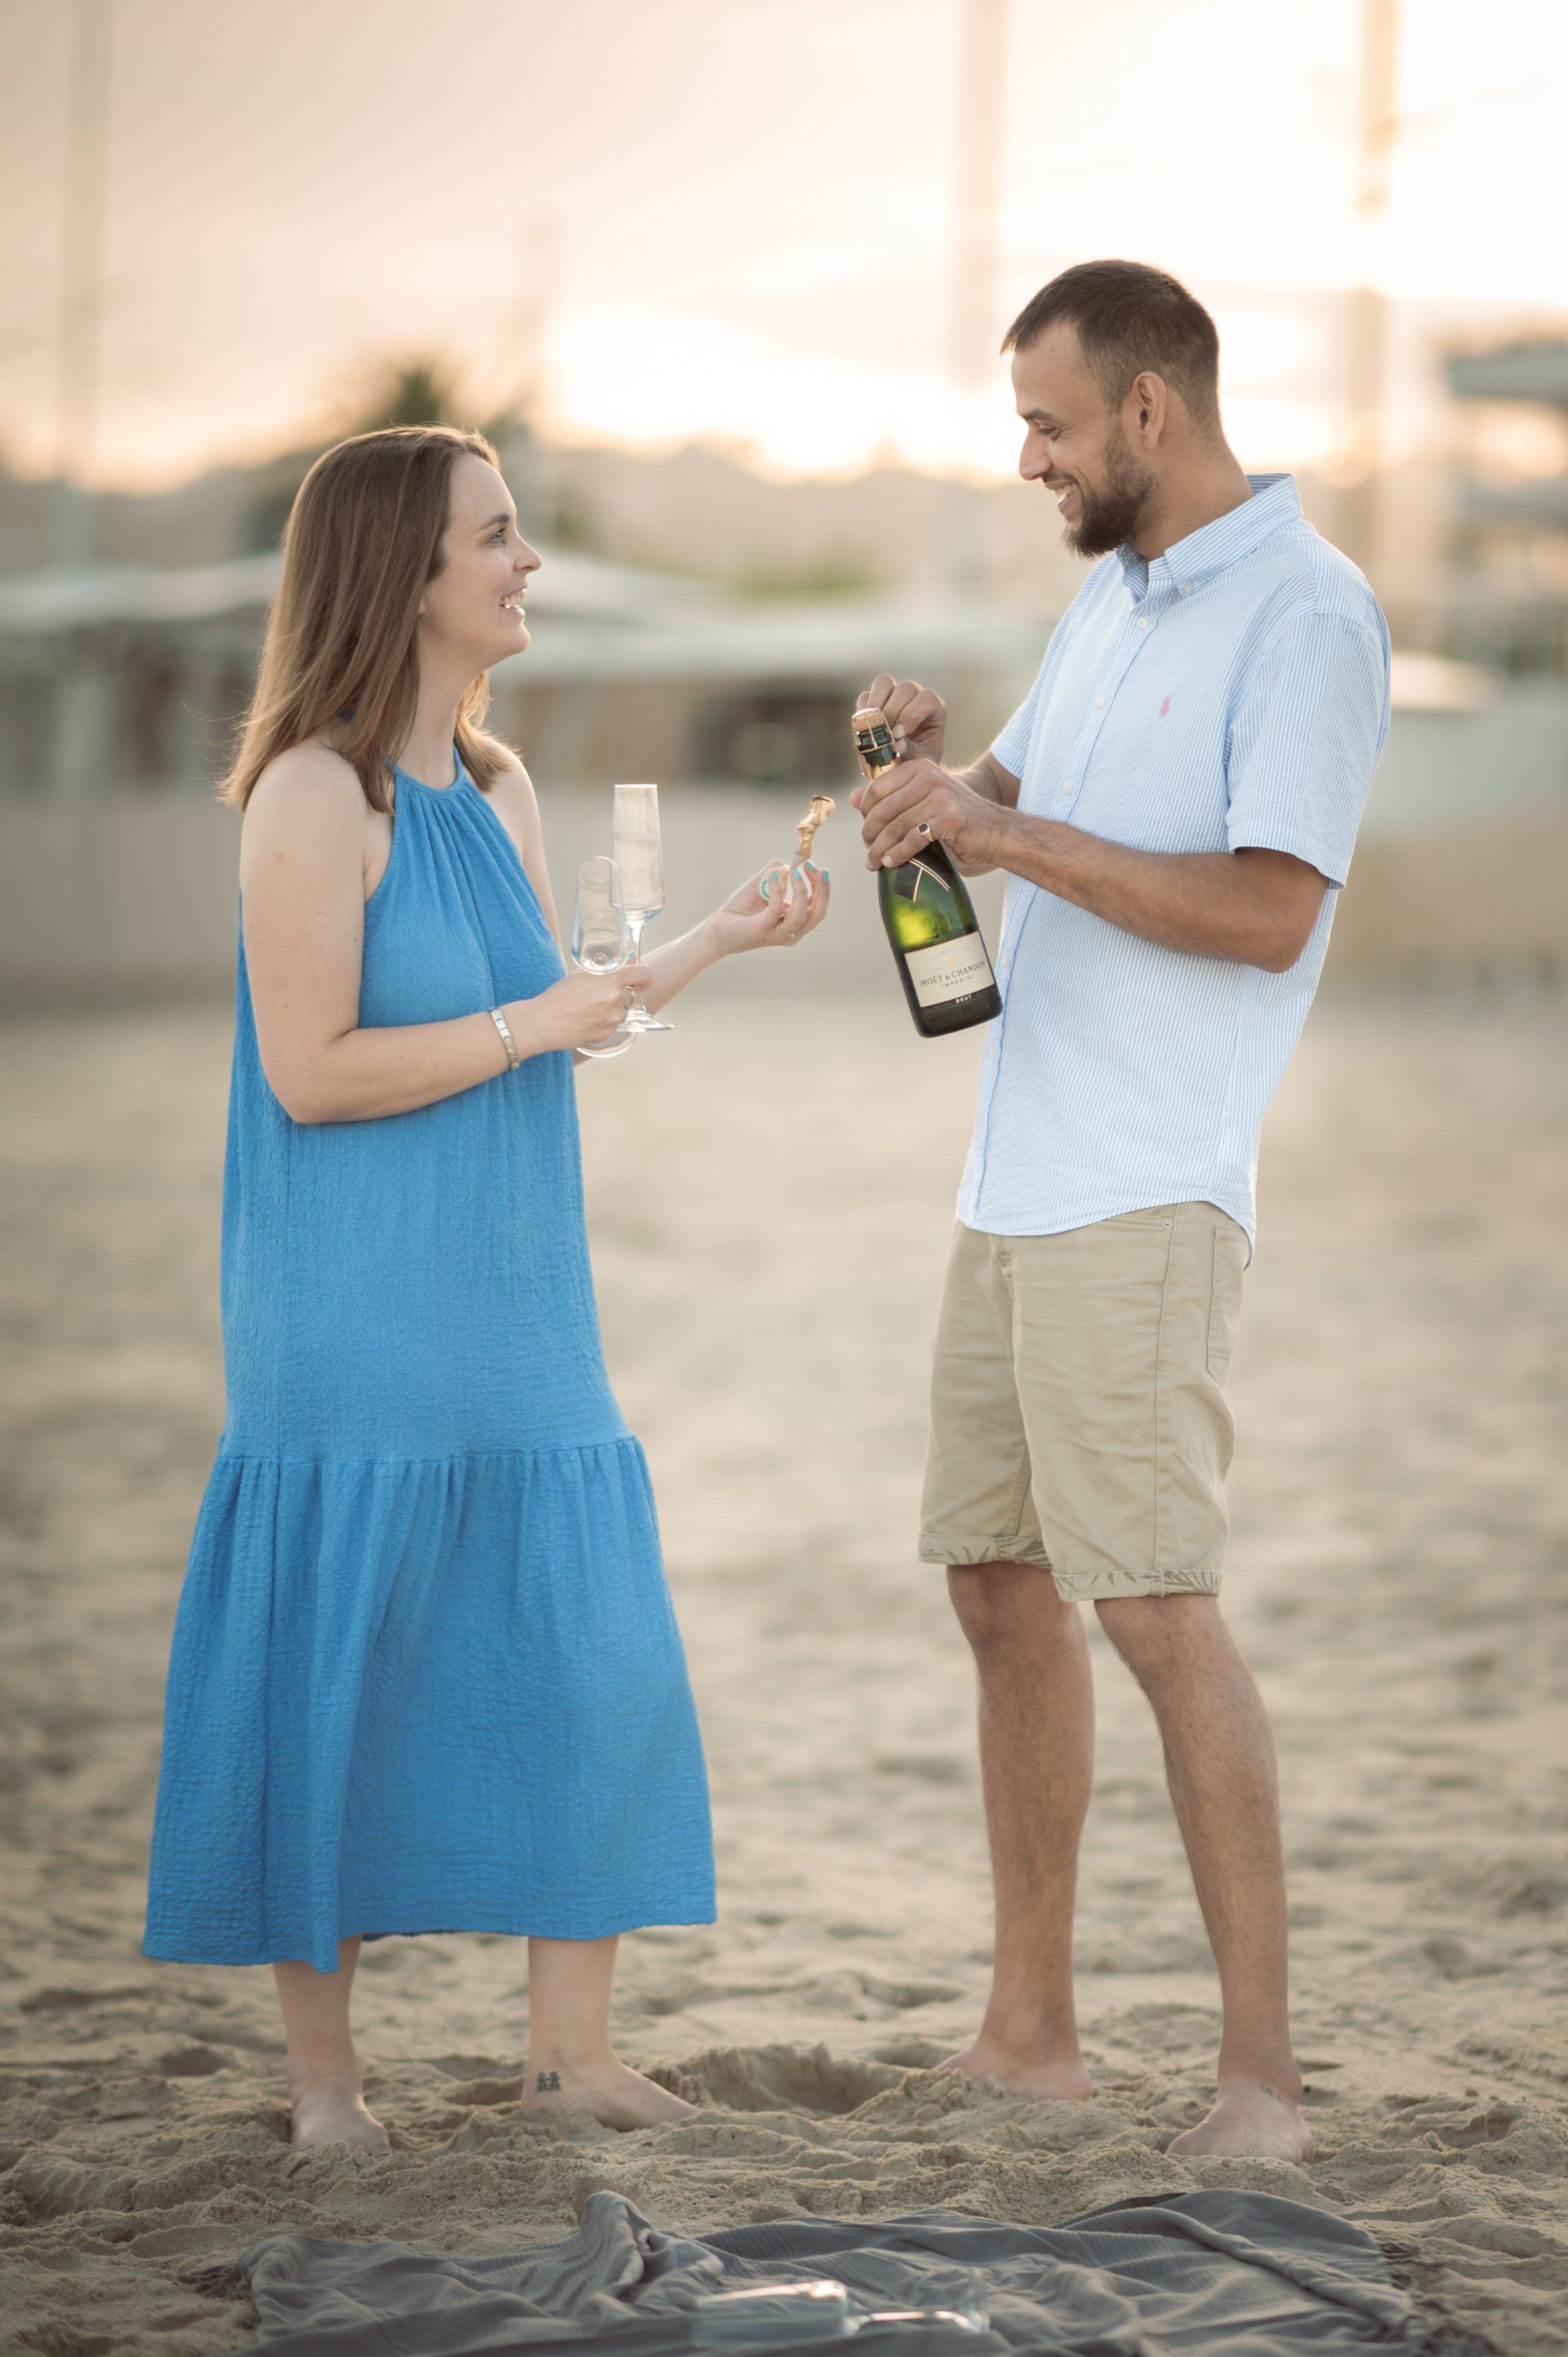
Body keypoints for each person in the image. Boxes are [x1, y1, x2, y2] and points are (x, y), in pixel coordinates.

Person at [141, 424, 830, 2152]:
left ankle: (569, 2059)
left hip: (520, 1297)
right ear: (406, 573)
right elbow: (315, 1071)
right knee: (347, 1660)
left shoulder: (499, 786)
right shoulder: (312, 795)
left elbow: (557, 1020)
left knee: (580, 1644)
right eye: (498, 537)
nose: (528, 565)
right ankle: (325, 2087)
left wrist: (719, 942)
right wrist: (542, 1019)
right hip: (359, 1309)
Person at [853, 261, 1389, 2160]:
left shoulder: (1311, 620)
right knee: (996, 1588)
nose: (1030, 461)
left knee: (1158, 1613)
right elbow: (1016, 796)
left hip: (1150, 1187)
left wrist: (1004, 838)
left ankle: (1262, 2083)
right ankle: (1032, 2036)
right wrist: (934, 773)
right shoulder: (1110, 599)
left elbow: (1265, 911)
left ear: (1151, 411)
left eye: (1051, 426)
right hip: (1012, 1181)